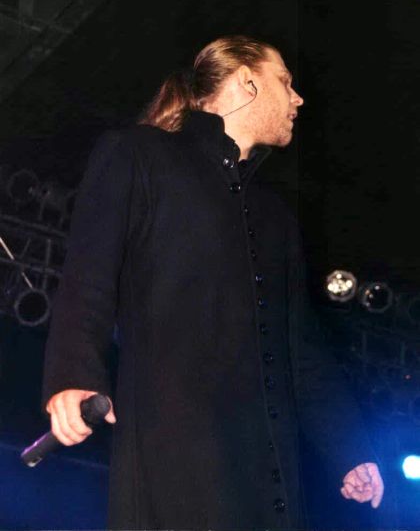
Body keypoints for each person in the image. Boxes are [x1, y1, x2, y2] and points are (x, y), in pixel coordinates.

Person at [42, 35, 384, 529]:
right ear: (247, 81)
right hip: (178, 457)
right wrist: (74, 374)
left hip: (267, 474)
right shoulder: (140, 155)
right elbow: (89, 272)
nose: (298, 98)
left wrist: (350, 449)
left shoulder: (275, 217)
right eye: (285, 81)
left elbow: (300, 347)